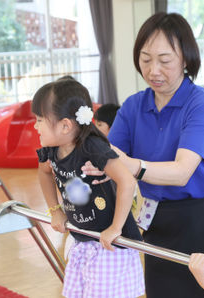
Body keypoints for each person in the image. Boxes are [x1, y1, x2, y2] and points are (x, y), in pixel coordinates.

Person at [82, 12, 204, 297]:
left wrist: (129, 166)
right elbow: (109, 155)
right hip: (158, 218)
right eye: (145, 59)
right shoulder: (134, 106)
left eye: (164, 60)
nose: (153, 70)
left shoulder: (202, 104)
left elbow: (182, 172)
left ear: (186, 60)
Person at [31, 79, 145, 298]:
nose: (35, 126)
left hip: (109, 246)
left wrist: (115, 227)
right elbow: (44, 172)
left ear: (65, 125)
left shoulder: (93, 147)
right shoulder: (52, 149)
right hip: (82, 238)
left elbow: (127, 181)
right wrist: (55, 210)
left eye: (39, 120)